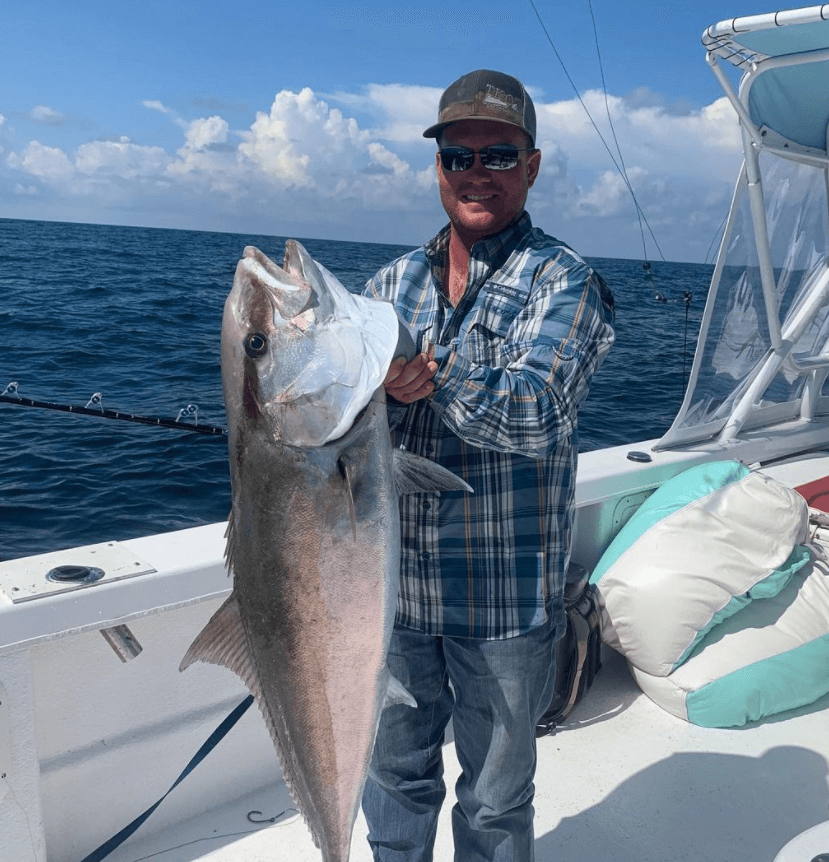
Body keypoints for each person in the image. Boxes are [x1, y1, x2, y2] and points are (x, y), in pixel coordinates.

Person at [361, 69, 615, 862]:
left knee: (495, 799)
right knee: (393, 776)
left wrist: (426, 373)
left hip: (502, 598)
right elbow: (345, 429)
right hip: (393, 588)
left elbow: (538, 415)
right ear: (438, 170)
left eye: (498, 155)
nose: (476, 175)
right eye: (457, 158)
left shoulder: (564, 279)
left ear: (531, 166)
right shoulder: (387, 285)